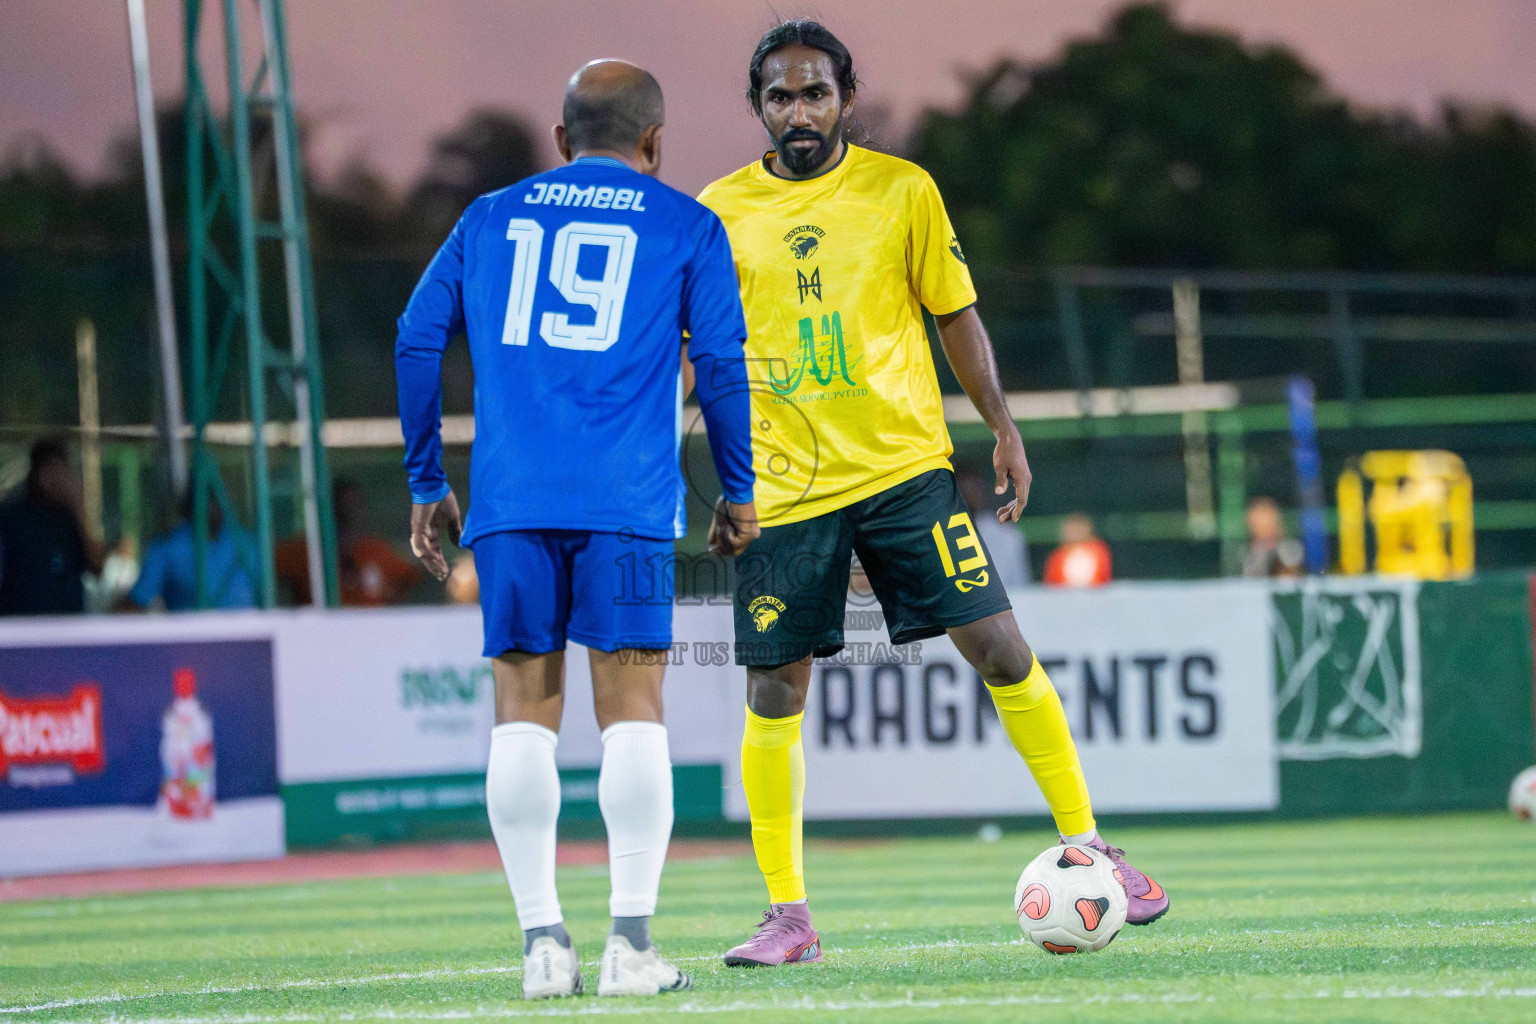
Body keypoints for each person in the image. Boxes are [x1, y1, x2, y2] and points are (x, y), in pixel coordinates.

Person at [697, 20, 1167, 968]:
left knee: (999, 647)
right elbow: (701, 357)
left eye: (815, 92)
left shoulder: (901, 190)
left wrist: (1001, 424)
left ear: (846, 99)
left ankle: (1093, 848)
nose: (799, 111)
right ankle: (788, 915)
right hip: (787, 491)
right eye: (781, 96)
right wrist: (721, 480)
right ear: (758, 106)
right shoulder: (716, 212)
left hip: (906, 471)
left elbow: (955, 313)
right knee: (773, 690)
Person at [396, 60, 758, 1000]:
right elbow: (719, 368)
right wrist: (740, 488)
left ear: (561, 139)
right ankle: (629, 947)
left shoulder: (486, 217)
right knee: (634, 711)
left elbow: (414, 337)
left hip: (511, 505)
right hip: (629, 509)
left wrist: (429, 478)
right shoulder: (689, 225)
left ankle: (541, 949)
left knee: (522, 713)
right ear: (655, 142)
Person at [0, 437, 104, 616]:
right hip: (21, 632)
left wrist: (79, 508)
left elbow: (97, 566)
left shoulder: (68, 520)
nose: (68, 479)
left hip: (66, 633)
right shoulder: (11, 519)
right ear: (44, 474)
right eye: (62, 472)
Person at [275, 480, 421, 606]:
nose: (349, 513)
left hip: (374, 632)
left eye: (355, 506)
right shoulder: (305, 549)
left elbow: (411, 578)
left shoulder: (375, 549)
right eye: (341, 506)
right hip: (320, 632)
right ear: (328, 510)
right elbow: (268, 568)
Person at [120, 491, 258, 611]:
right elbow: (136, 602)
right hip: (193, 637)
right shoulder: (169, 546)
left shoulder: (246, 541)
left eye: (216, 502)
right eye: (206, 502)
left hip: (252, 635)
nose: (212, 508)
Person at [958, 467, 1031, 588]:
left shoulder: (1007, 536)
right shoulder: (936, 534)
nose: (969, 492)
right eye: (963, 486)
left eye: (974, 485)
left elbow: (1021, 588)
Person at [1042, 513, 1113, 588]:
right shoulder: (1057, 557)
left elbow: (1103, 579)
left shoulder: (1099, 552)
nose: (1073, 533)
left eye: (1076, 529)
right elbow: (1050, 583)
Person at [1242, 496, 1304, 578]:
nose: (1264, 524)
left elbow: (1292, 576)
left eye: (1267, 516)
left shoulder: (1291, 549)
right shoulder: (1243, 554)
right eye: (1260, 518)